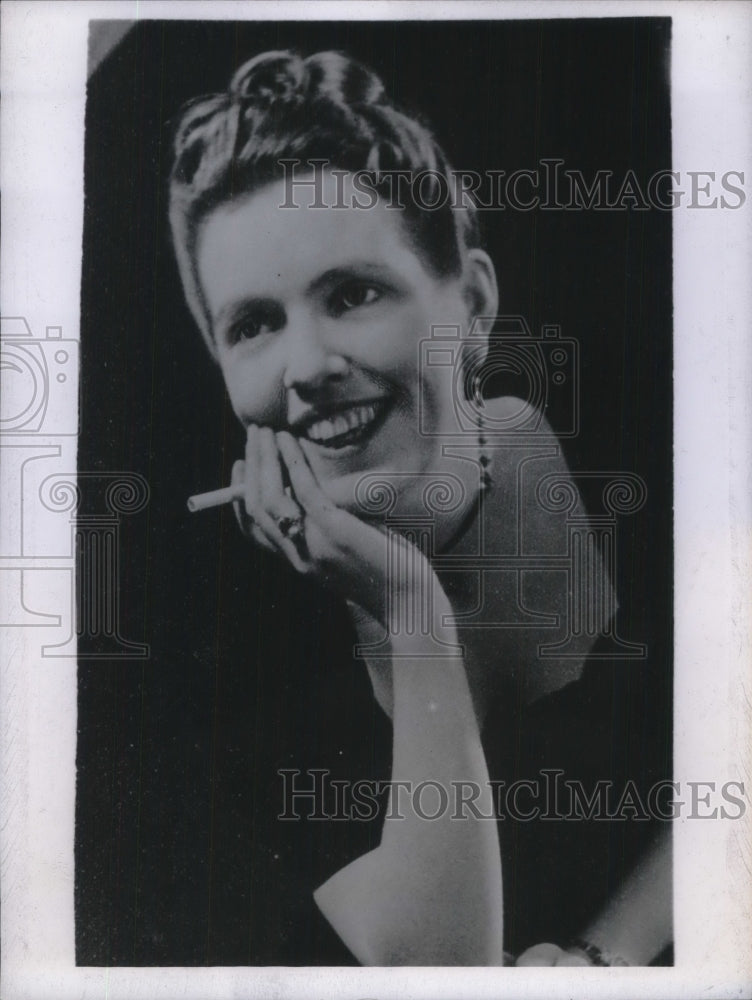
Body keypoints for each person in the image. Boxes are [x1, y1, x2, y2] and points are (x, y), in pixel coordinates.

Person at [168, 49, 672, 966]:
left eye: (353, 294)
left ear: (471, 305)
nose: (307, 366)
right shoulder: (238, 661)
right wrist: (410, 606)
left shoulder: (640, 435)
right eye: (254, 325)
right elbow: (443, 971)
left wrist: (610, 957)